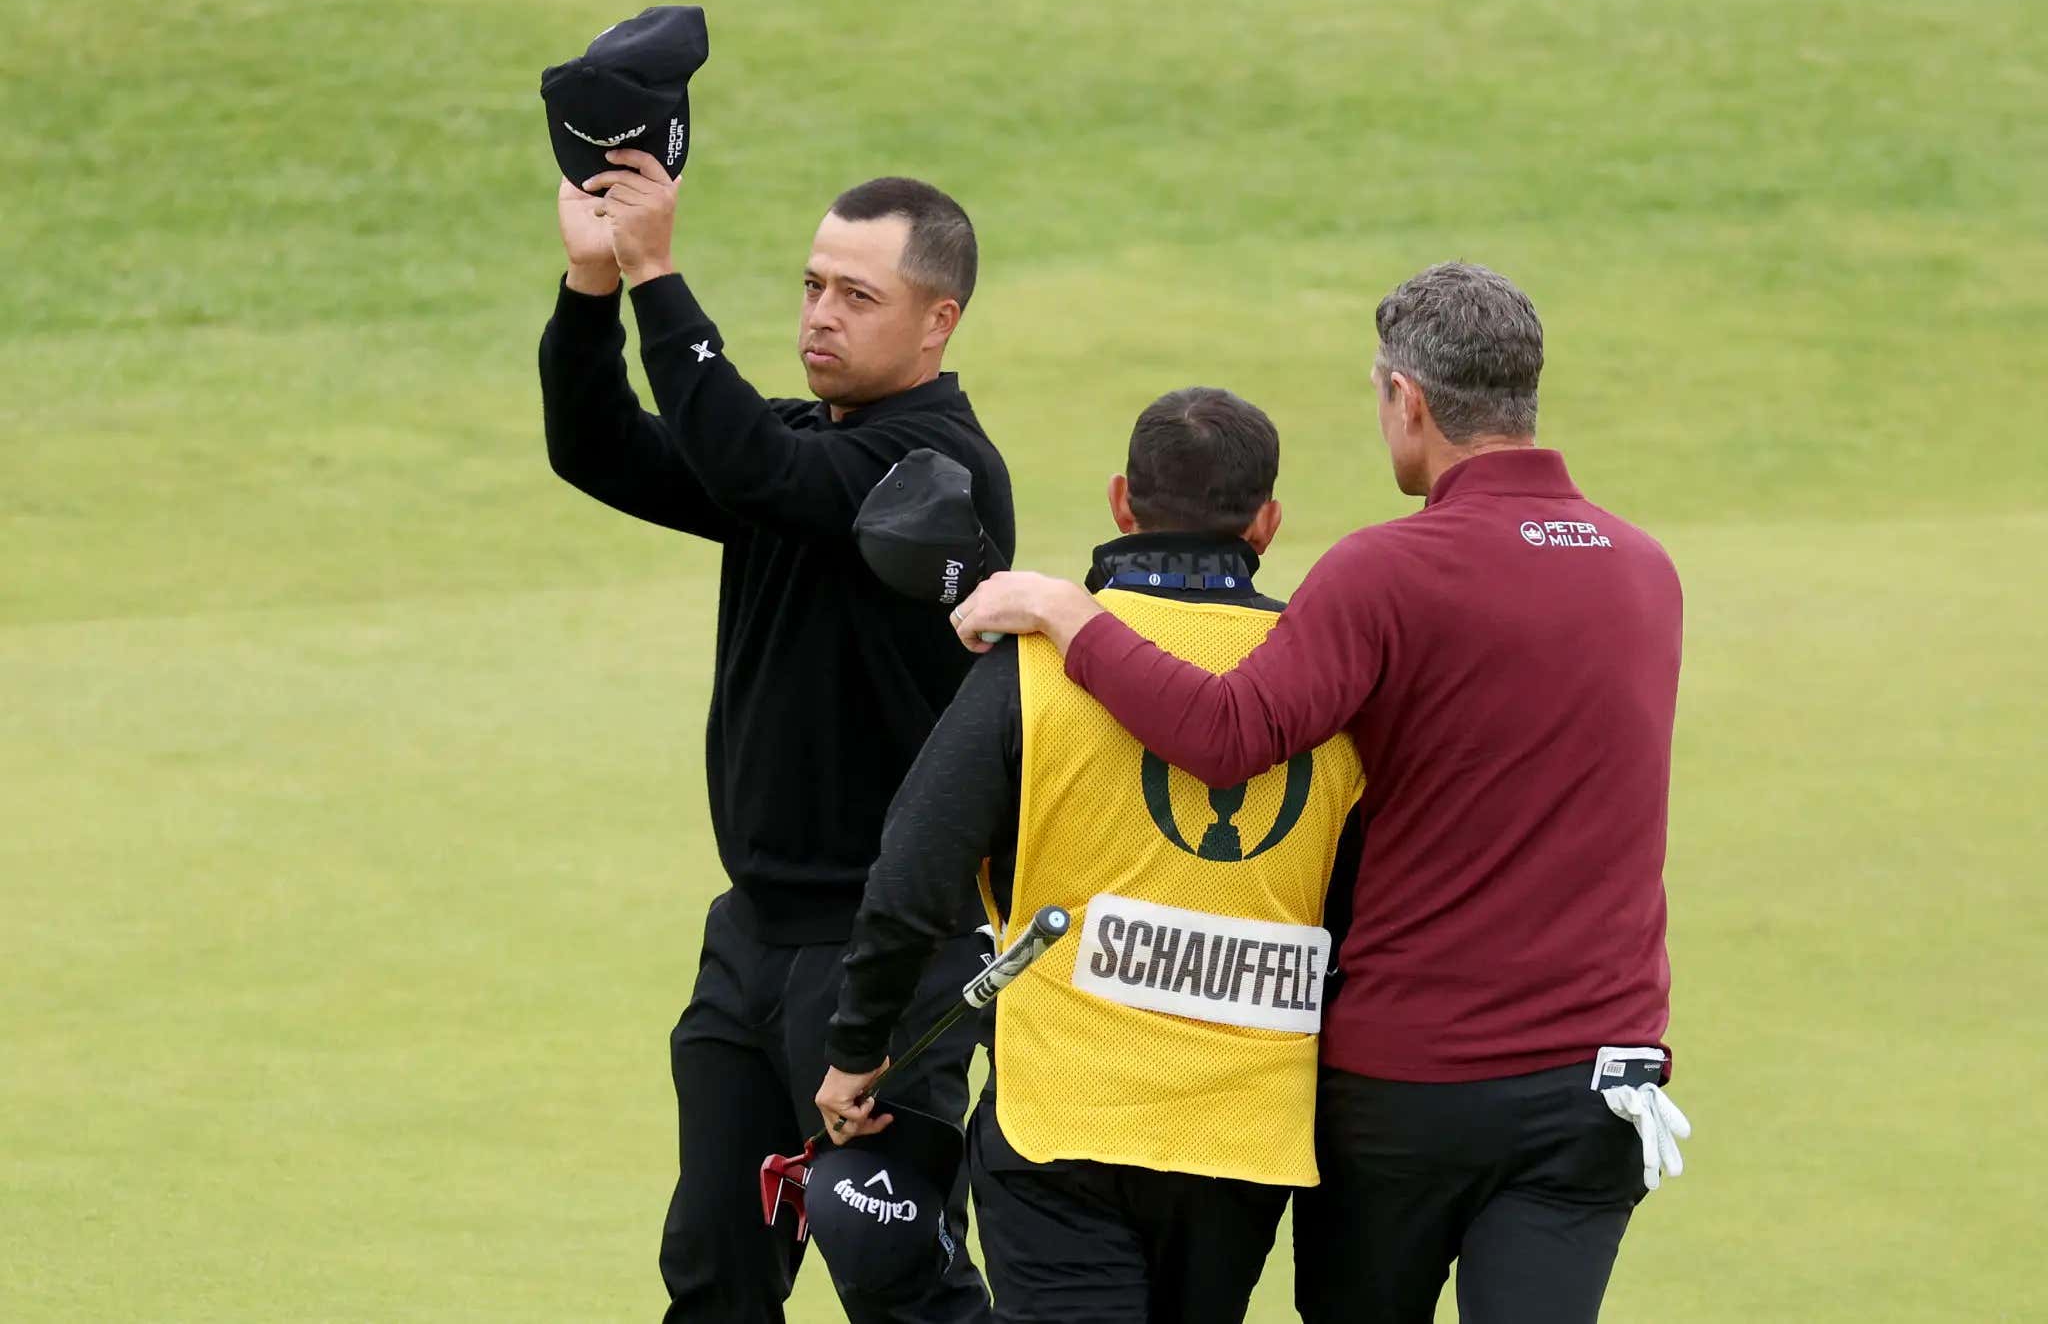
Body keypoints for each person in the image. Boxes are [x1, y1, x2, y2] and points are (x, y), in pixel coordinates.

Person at [949, 263, 1689, 1324]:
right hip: (1596, 1084)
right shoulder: (1642, 569)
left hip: (1410, 1090)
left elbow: (1226, 736)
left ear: (1408, 401)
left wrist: (1072, 616)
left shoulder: (1385, 570)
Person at [539, 151, 1011, 1323]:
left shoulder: (935, 477)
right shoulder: (804, 451)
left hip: (883, 960)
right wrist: (592, 287)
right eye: (811, 286)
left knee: (897, 1286)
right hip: (749, 939)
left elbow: (754, 459)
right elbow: (597, 447)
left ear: (937, 321)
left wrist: (659, 273)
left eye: (857, 297)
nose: (818, 315)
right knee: (712, 1278)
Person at [814, 388, 1365, 1324]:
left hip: (1061, 1123)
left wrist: (859, 1048)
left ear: (1122, 503)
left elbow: (911, 878)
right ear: (1266, 524)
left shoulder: (1030, 665)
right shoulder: (1326, 690)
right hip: (1244, 1138)